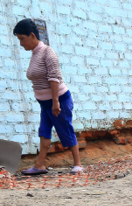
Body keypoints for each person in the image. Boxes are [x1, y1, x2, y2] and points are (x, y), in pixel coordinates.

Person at [14, 19, 83, 175]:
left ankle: (78, 164)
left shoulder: (47, 52)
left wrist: (55, 102)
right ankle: (39, 165)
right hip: (45, 103)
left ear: (32, 35)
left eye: (22, 39)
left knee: (65, 129)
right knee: (44, 131)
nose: (21, 43)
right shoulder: (35, 54)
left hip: (58, 100)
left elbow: (54, 78)